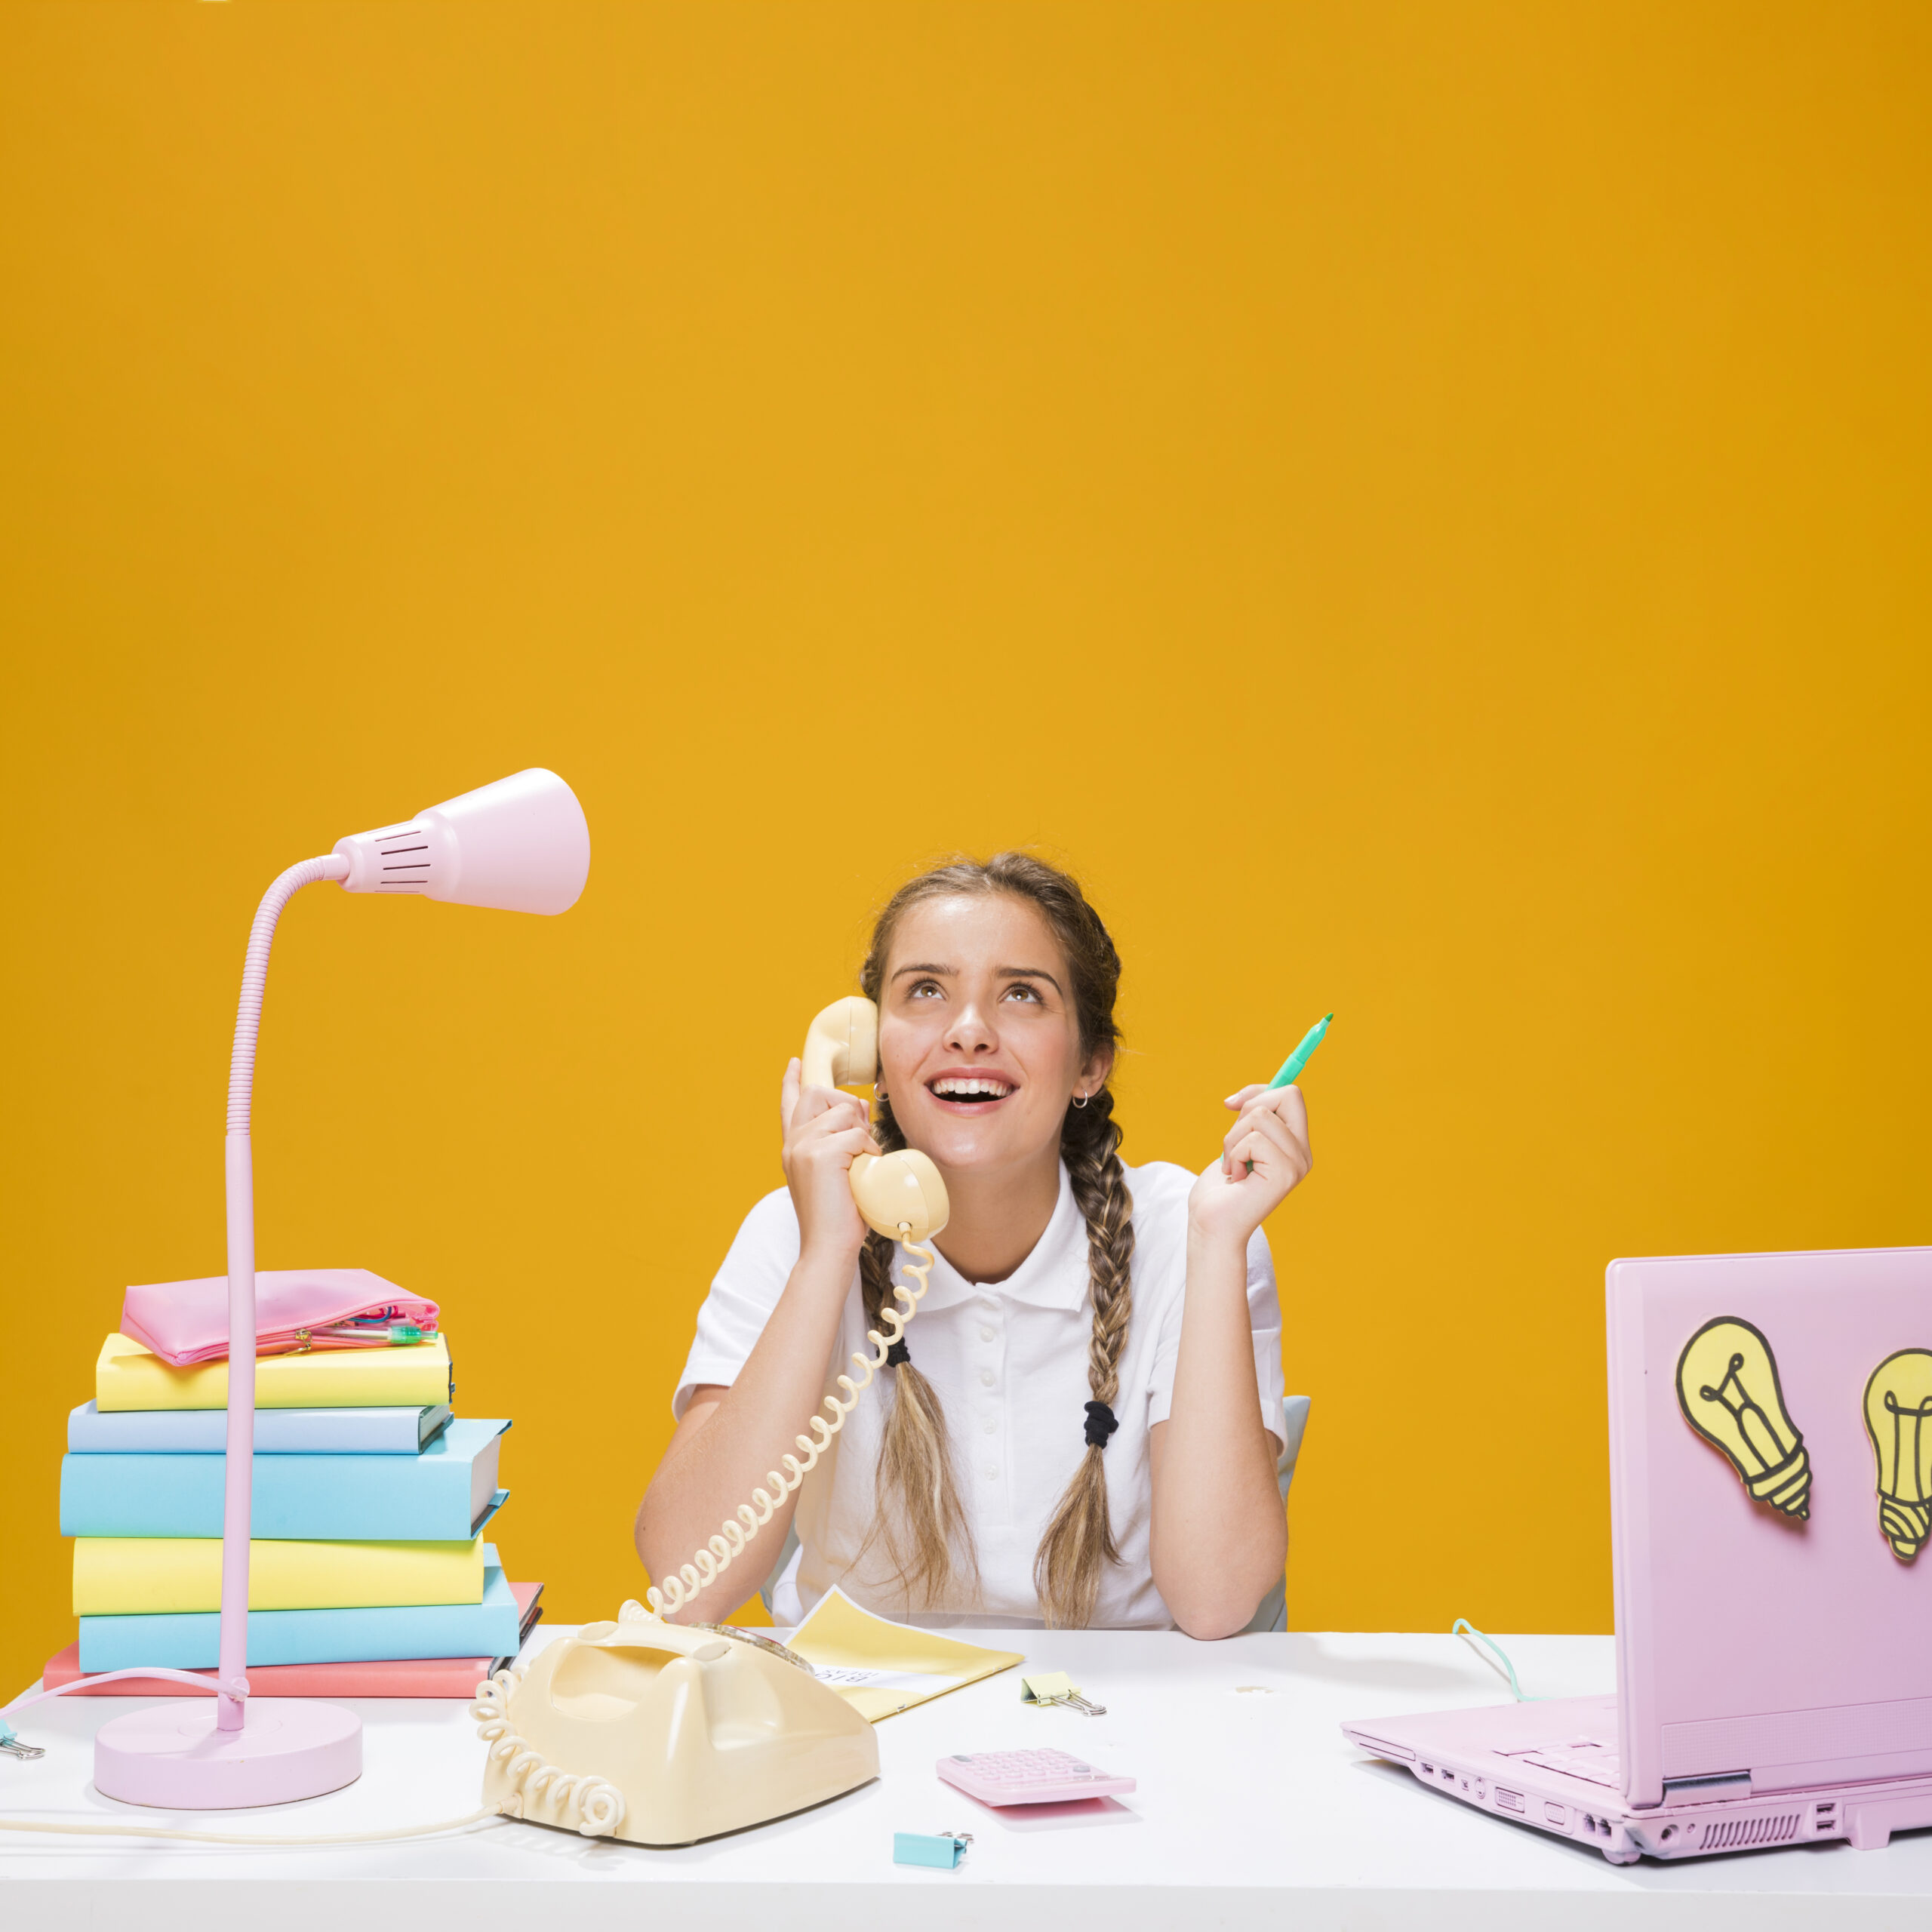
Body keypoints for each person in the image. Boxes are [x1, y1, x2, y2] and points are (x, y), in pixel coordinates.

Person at [634, 854, 1309, 1635]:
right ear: (870, 1054)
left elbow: (1219, 1601)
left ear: (1090, 1063)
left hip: (1126, 1714)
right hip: (855, 1712)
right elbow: (687, 1583)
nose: (968, 1031)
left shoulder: (1189, 1229)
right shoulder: (794, 1229)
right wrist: (826, 1254)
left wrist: (1219, 1245)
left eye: (1021, 993)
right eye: (926, 990)